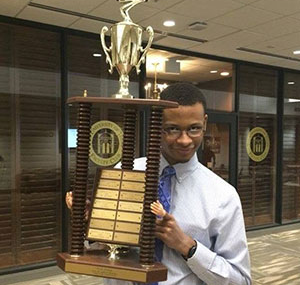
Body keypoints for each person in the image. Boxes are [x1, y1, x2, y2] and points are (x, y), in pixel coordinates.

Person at [67, 82, 251, 285]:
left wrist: (187, 246)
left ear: (205, 123)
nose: (184, 140)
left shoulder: (223, 195)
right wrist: (91, 222)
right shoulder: (124, 172)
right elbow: (102, 251)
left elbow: (240, 280)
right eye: (172, 129)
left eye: (194, 129)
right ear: (156, 125)